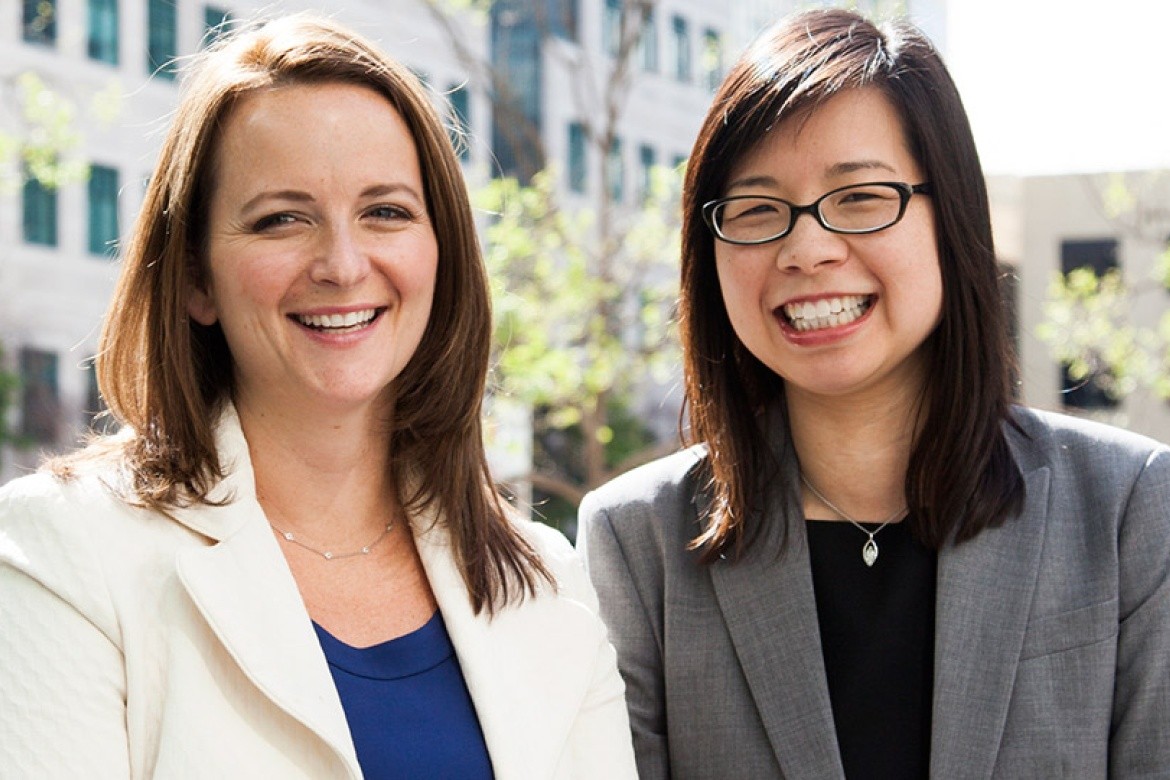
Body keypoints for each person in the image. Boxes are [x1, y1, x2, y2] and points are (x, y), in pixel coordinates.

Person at [0, 15, 636, 779]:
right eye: (281, 220)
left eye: (386, 212)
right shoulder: (64, 551)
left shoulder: (547, 581)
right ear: (196, 276)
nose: (341, 263)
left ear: (443, 253)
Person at [578, 8, 1170, 779]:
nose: (807, 249)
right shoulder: (638, 541)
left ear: (949, 215)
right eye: (757, 211)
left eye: (859, 197)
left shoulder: (1129, 508)